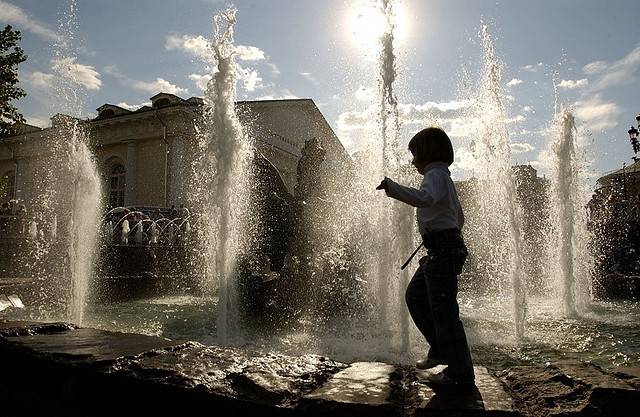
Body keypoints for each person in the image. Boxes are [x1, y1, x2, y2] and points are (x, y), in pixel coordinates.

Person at [377, 127, 474, 385]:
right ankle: (441, 349)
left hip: (442, 252)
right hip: (440, 250)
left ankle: (460, 373)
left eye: (415, 154)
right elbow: (459, 218)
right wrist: (441, 233)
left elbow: (426, 198)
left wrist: (393, 188)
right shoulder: (443, 177)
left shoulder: (435, 175)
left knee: (445, 312)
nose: (412, 161)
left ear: (427, 153)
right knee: (416, 297)